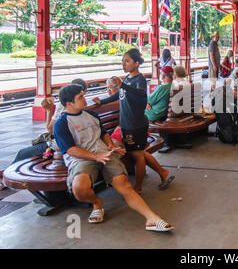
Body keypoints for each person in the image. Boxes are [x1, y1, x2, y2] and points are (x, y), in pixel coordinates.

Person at [53, 84, 173, 231]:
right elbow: (70, 150)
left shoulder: (91, 115)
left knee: (124, 184)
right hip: (82, 159)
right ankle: (97, 203)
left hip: (104, 153)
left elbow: (103, 133)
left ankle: (151, 218)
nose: (85, 99)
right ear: (69, 103)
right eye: (80, 97)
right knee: (80, 189)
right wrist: (95, 156)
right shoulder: (62, 124)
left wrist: (110, 146)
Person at [93, 48, 149, 195]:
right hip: (126, 124)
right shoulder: (128, 79)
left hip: (136, 124)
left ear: (136, 63)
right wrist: (102, 102)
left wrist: (122, 85)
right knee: (136, 154)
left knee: (138, 155)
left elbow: (141, 93)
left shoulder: (139, 79)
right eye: (123, 61)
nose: (124, 64)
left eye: (127, 61)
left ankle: (138, 186)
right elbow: (119, 95)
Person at [104, 79, 175, 190]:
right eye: (107, 87)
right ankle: (162, 172)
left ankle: (138, 187)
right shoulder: (124, 96)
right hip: (131, 129)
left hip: (131, 130)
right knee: (139, 153)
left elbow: (140, 98)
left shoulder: (127, 95)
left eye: (111, 86)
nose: (109, 90)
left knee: (138, 155)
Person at [11, 79, 88, 164]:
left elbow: (51, 129)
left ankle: (6, 176)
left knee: (22, 153)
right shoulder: (86, 106)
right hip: (78, 141)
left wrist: (49, 110)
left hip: (61, 145)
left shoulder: (66, 104)